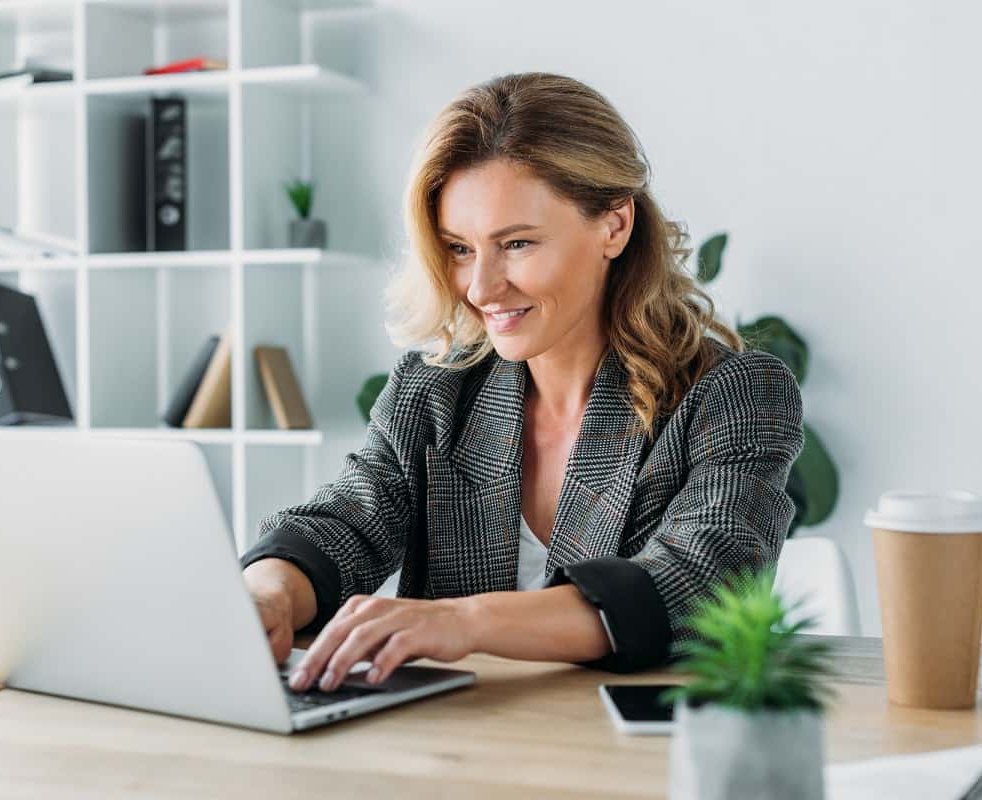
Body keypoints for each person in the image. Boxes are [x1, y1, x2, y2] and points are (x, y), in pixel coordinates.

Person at [240, 72, 804, 695]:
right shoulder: (433, 390)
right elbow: (345, 523)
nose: (481, 288)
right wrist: (267, 592)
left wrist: (466, 620)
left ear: (614, 225)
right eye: (459, 248)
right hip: (460, 750)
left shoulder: (736, 394)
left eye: (516, 243)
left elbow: (700, 584)